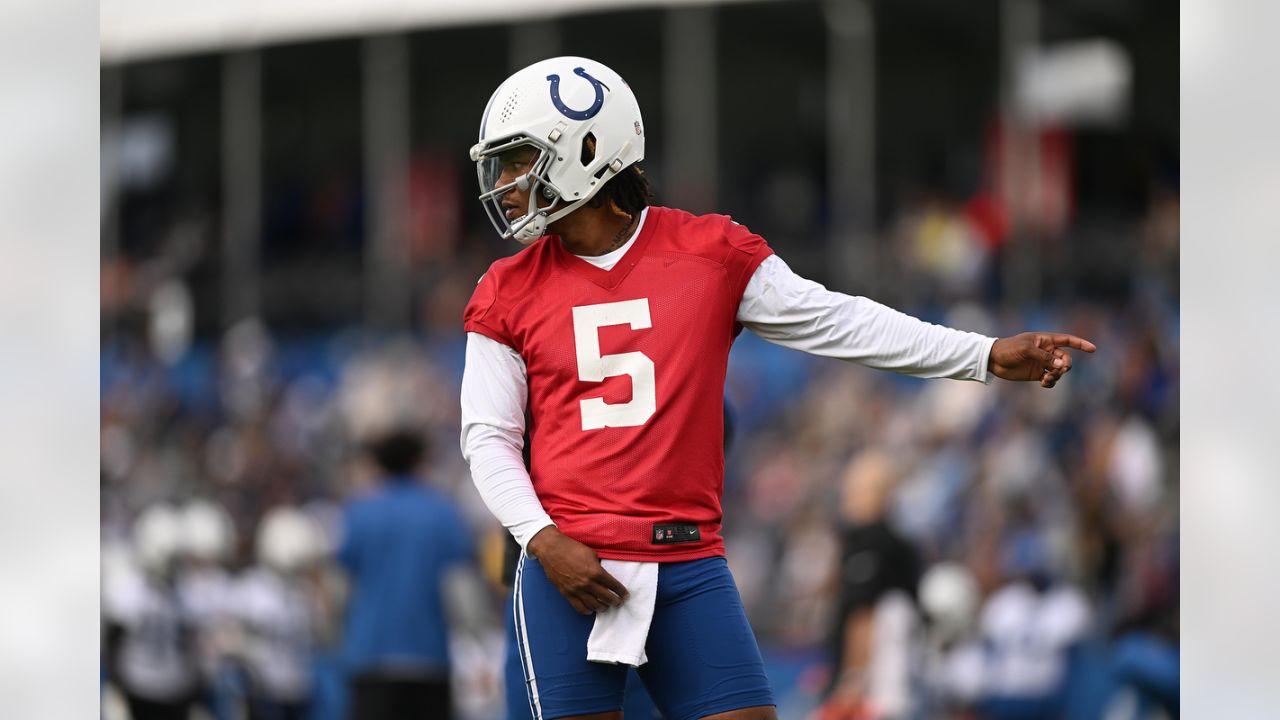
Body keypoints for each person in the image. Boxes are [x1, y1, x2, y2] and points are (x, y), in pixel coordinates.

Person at [459, 56, 1095, 720]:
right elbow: (488, 437)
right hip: (569, 567)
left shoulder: (710, 253)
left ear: (586, 151)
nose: (504, 183)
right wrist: (542, 538)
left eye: (519, 160)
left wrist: (984, 354)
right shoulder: (505, 288)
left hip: (687, 562)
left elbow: (838, 321)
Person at [337, 428, 476, 720]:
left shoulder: (360, 512)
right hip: (429, 653)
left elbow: (342, 580)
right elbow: (461, 582)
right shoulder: (442, 512)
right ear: (419, 461)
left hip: (370, 651)